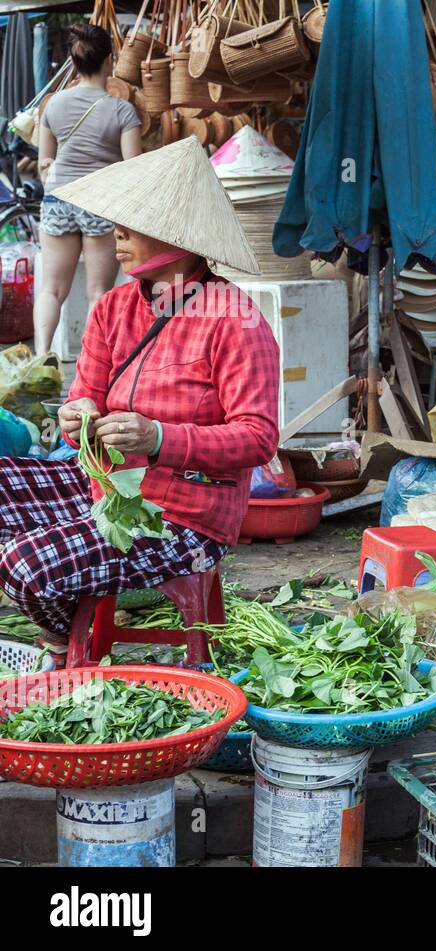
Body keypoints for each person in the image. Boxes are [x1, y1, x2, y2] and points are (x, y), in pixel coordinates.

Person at [0, 136, 278, 658]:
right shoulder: (114, 309)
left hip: (186, 518)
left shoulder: (234, 321)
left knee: (25, 565)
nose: (117, 233)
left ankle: (62, 644)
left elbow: (259, 439)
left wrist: (158, 439)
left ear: (177, 236)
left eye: (135, 223)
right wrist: (76, 416)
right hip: (106, 491)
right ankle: (69, 633)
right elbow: (83, 400)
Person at [35, 22, 142, 356]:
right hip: (101, 203)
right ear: (109, 60)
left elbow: (43, 166)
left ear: (74, 62)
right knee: (99, 293)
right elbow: (132, 169)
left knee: (52, 289)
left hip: (58, 199)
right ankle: (94, 366)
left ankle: (42, 358)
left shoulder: (53, 105)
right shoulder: (122, 110)